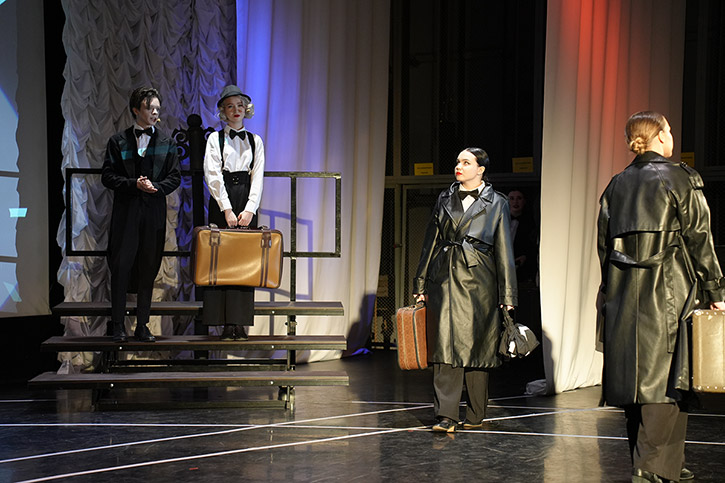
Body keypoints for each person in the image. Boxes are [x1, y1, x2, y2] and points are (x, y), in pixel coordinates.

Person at [597, 111, 725, 483]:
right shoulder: (681, 178)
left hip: (624, 292)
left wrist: (610, 290)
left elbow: (603, 245)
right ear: (660, 136)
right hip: (670, 290)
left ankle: (665, 463)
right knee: (668, 379)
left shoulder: (616, 184)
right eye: (668, 130)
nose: (671, 135)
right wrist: (715, 290)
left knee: (637, 380)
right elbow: (700, 238)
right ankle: (650, 466)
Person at [413, 147, 517, 433]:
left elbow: (504, 251)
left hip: (480, 282)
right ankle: (445, 416)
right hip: (445, 278)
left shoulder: (497, 202)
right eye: (458, 161)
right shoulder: (444, 198)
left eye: (466, 162)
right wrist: (420, 283)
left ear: (480, 169)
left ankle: (475, 413)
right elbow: (430, 242)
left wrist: (507, 296)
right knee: (445, 345)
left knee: (477, 348)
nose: (459, 166)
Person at [101, 86, 181, 342]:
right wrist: (133, 184)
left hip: (153, 213)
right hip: (126, 213)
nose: (155, 112)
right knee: (121, 266)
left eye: (157, 108)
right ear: (136, 110)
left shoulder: (167, 143)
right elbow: (107, 176)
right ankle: (117, 325)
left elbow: (175, 177)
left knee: (149, 266)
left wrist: (156, 187)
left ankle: (143, 325)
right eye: (149, 108)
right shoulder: (118, 141)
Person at [202, 85, 265, 340]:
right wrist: (226, 209)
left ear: (246, 109)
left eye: (240, 105)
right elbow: (213, 175)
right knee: (222, 261)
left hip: (246, 199)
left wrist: (250, 209)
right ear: (223, 111)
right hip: (222, 201)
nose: (236, 110)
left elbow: (258, 177)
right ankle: (224, 323)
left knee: (245, 262)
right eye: (230, 106)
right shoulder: (214, 139)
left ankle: (240, 323)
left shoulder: (255, 140)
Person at [507, 189, 538, 283]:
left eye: (519, 198)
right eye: (512, 198)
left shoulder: (531, 223)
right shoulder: (499, 220)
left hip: (522, 268)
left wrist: (524, 257)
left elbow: (532, 246)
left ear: (524, 201)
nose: (515, 202)